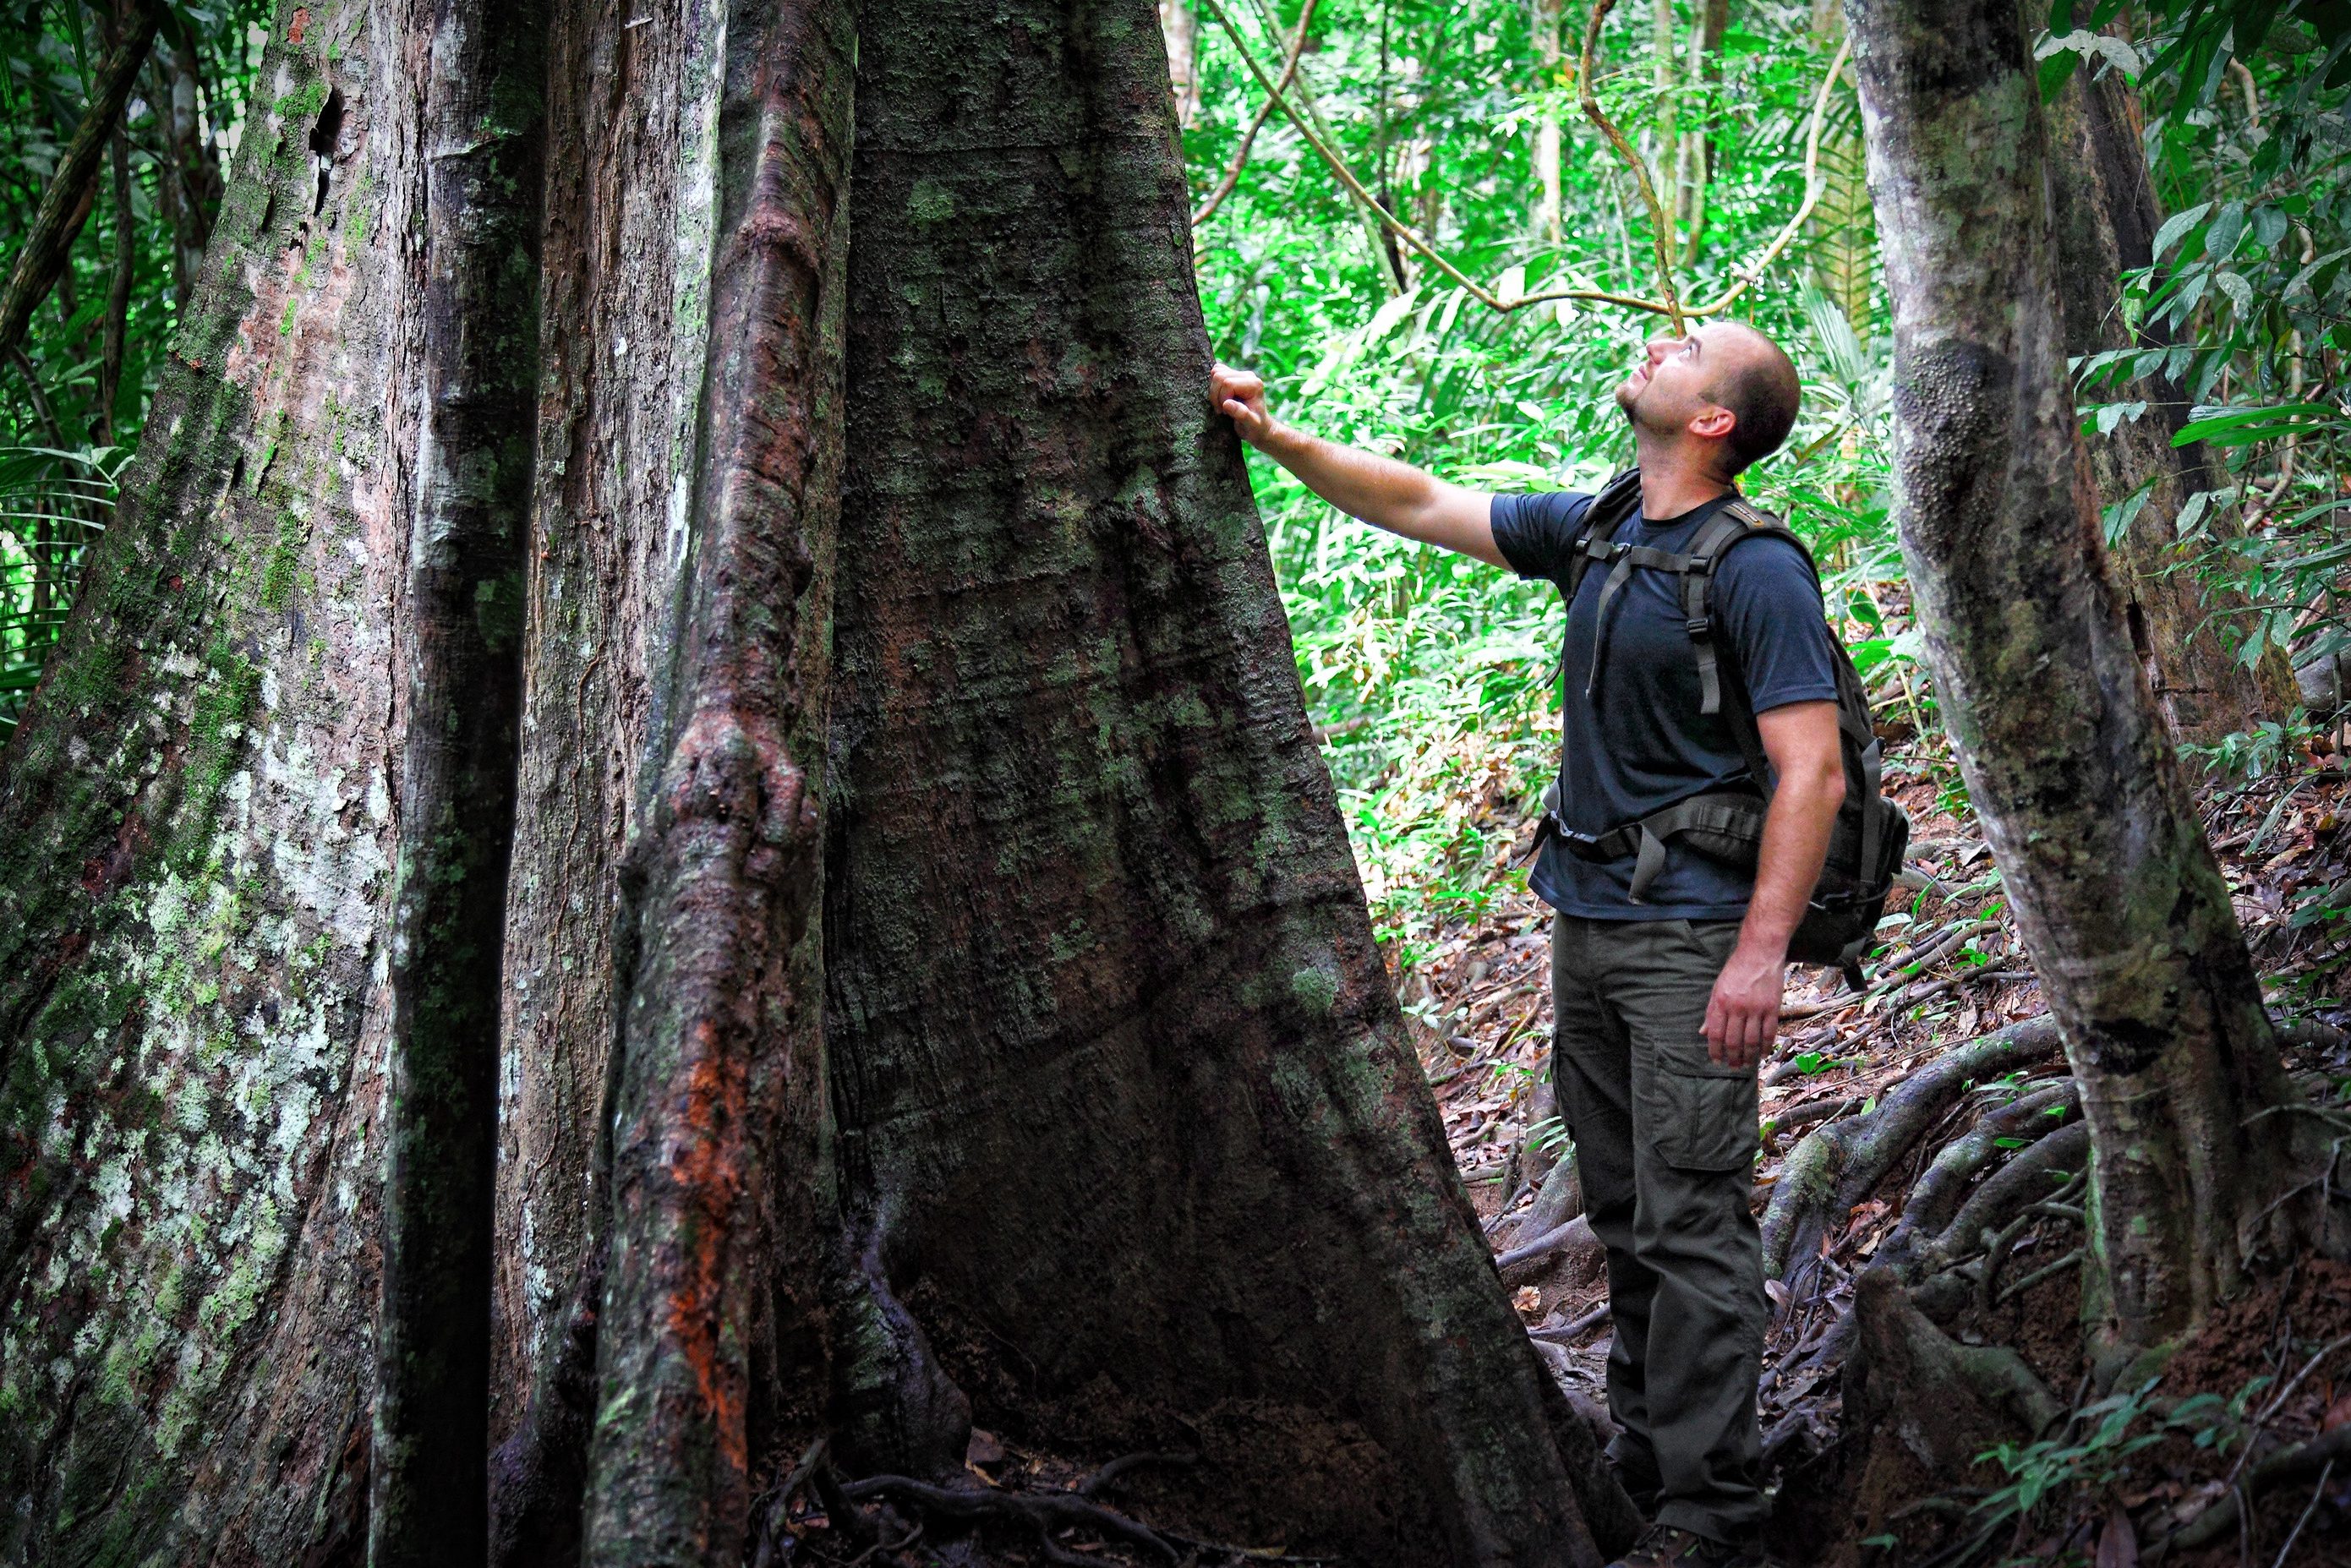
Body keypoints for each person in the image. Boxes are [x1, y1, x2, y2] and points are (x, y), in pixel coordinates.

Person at [1211, 322, 1840, 1568]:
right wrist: (1265, 434)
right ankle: (1640, 1464)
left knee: (1691, 1222)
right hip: (1592, 927)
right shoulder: (1604, 526)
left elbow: (1808, 769)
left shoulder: (1756, 570)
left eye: (1690, 348)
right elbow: (1424, 501)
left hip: (1692, 944)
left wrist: (1760, 953)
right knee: (1620, 1210)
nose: (1660, 342)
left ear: (1714, 421)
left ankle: (1713, 1520)